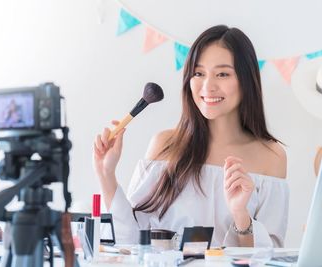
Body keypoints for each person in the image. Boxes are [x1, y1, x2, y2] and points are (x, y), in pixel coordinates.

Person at [93, 25, 288, 248]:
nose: (208, 86)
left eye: (222, 74)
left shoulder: (271, 157)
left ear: (246, 80)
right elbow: (133, 242)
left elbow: (270, 258)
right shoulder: (164, 145)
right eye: (198, 73)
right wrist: (106, 174)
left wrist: (240, 215)